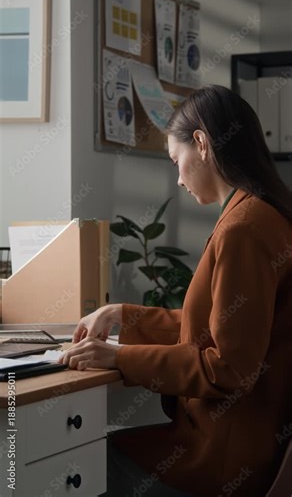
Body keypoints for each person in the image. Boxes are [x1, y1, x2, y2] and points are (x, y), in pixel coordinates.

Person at [58, 85, 292, 497]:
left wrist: (121, 356)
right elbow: (223, 326)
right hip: (249, 442)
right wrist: (122, 315)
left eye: (175, 160)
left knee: (78, 461)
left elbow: (230, 368)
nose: (178, 179)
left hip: (221, 458)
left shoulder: (244, 229)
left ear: (201, 143)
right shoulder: (258, 214)